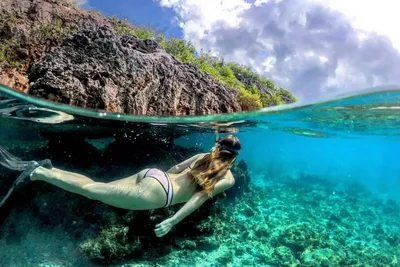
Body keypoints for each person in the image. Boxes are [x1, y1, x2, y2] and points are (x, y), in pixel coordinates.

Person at [0, 135, 241, 237]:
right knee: (90, 191)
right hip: (159, 193)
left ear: (217, 146)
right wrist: (171, 220)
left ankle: (47, 169)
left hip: (155, 176)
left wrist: (156, 180)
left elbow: (175, 168)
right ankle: (38, 172)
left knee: (96, 187)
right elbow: (197, 199)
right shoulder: (227, 179)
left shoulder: (202, 155)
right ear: (234, 157)